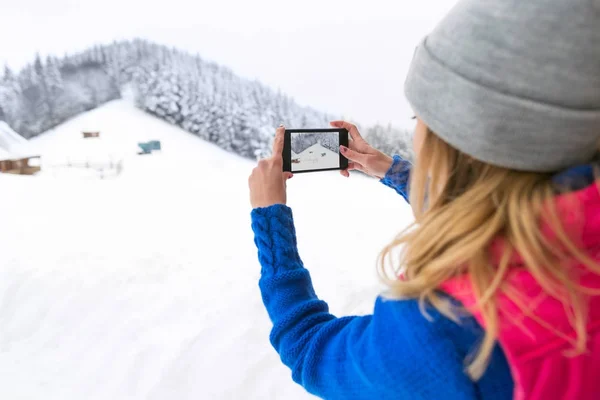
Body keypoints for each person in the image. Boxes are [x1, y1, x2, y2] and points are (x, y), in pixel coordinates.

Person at [247, 0, 600, 398]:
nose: (416, 133)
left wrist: (269, 215)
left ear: (463, 143)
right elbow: (497, 220)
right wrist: (389, 169)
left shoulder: (444, 327)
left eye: (419, 119)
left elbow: (310, 348)